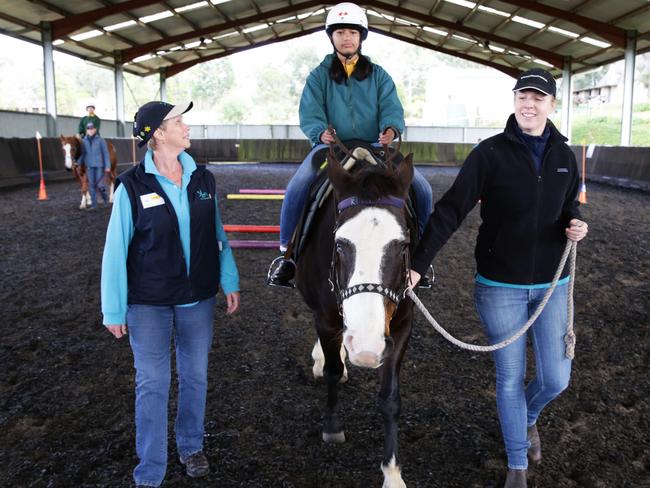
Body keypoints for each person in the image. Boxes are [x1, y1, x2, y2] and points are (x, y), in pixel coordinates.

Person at [408, 69, 589, 488]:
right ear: (514, 101)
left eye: (538, 97)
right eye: (523, 96)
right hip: (499, 287)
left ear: (552, 105)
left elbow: (570, 207)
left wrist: (576, 222)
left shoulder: (565, 156)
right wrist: (418, 263)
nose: (529, 104)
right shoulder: (487, 154)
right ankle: (517, 466)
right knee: (509, 376)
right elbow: (451, 210)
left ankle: (527, 418)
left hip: (553, 286)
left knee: (555, 379)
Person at [101, 100, 241, 488]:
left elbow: (216, 233)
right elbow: (116, 248)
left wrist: (228, 279)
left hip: (198, 297)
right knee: (153, 382)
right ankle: (151, 469)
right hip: (148, 303)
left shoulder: (202, 179)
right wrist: (113, 308)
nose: (187, 127)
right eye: (179, 122)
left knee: (195, 376)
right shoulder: (131, 186)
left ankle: (191, 445)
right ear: (158, 134)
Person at [268, 1, 433, 288]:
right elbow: (310, 112)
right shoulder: (318, 76)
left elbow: (391, 107)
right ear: (331, 36)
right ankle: (287, 255)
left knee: (422, 187)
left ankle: (422, 257)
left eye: (353, 33)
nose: (347, 37)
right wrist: (320, 132)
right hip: (332, 148)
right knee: (298, 184)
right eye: (341, 32)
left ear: (361, 37)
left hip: (375, 144)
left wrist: (391, 128)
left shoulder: (379, 75)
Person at [76, 122, 111, 209]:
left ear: (95, 130)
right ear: (86, 130)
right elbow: (83, 154)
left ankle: (106, 199)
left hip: (99, 166)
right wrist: (78, 163)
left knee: (100, 186)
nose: (90, 131)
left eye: (92, 129)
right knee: (91, 186)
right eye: (88, 129)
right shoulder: (84, 141)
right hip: (89, 166)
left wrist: (107, 166)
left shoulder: (101, 140)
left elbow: (105, 154)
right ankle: (94, 205)